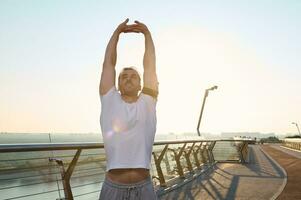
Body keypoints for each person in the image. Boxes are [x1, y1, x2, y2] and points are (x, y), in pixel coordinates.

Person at [99, 18, 159, 200]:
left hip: (144, 189)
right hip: (113, 189)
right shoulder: (110, 100)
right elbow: (108, 64)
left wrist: (147, 35)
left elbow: (150, 66)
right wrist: (116, 34)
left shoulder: (148, 102)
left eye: (133, 76)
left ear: (141, 84)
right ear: (117, 84)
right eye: (124, 76)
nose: (128, 78)